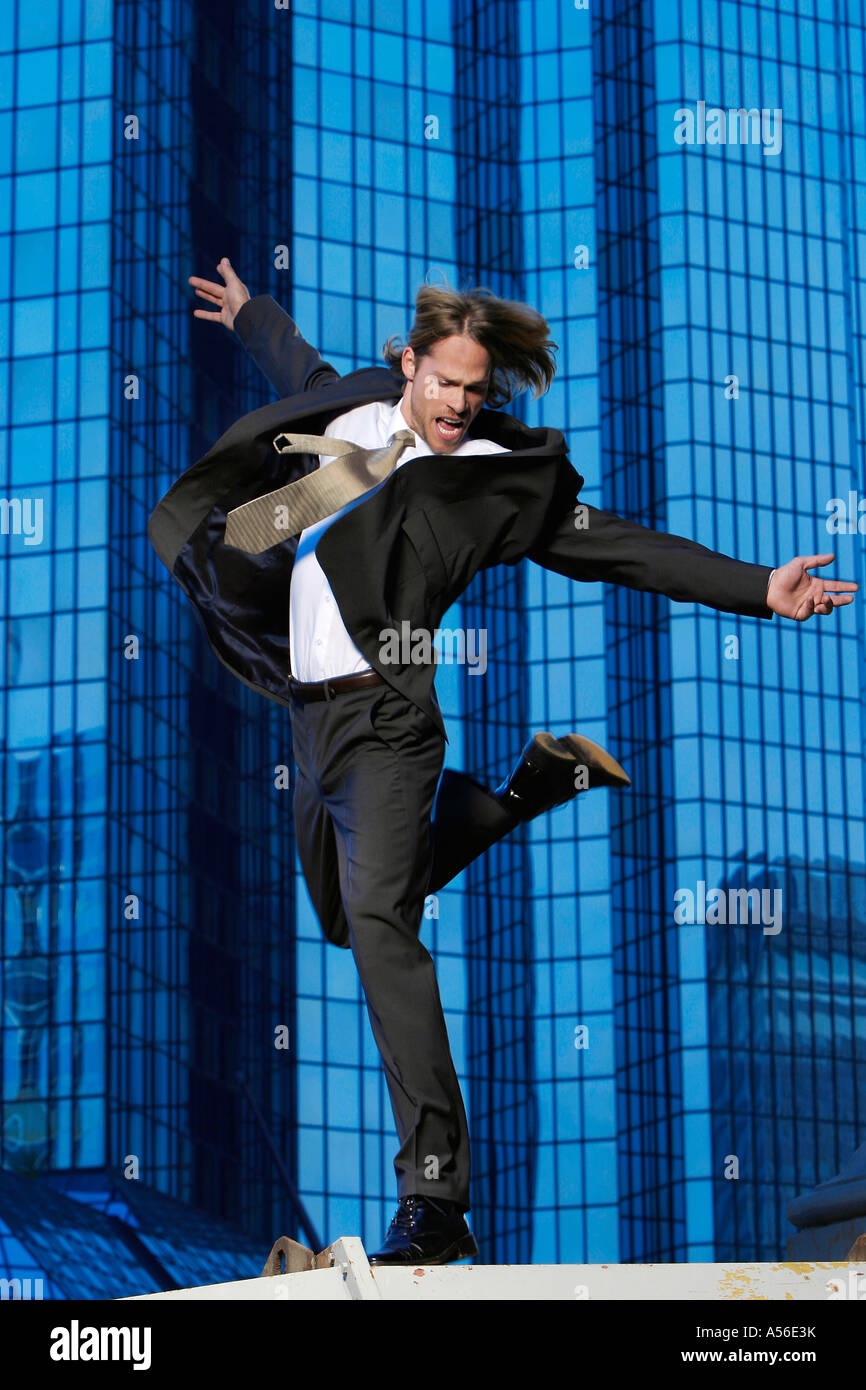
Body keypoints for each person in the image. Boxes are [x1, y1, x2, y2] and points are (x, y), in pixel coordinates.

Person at [148, 258, 858, 1266]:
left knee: (385, 924)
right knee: (350, 913)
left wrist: (757, 587)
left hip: (390, 720)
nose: (457, 405)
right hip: (309, 728)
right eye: (444, 383)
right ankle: (532, 784)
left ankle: (434, 1198)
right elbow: (302, 368)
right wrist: (250, 312)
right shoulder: (344, 422)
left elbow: (617, 545)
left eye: (478, 390)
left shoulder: (489, 476)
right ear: (406, 365)